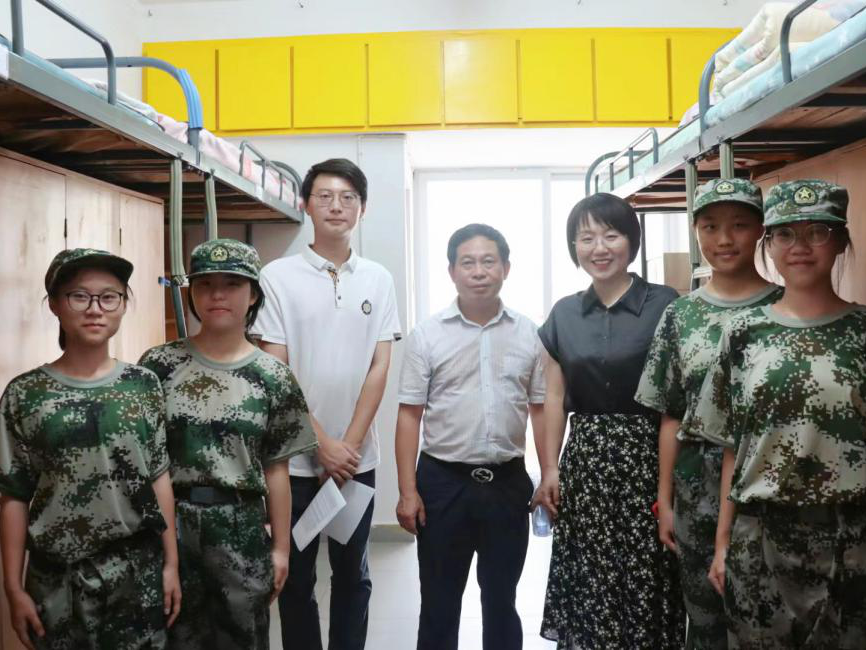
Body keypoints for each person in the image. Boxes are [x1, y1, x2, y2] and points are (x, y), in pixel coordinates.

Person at [699, 181, 866, 648]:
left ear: (840, 241)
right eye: (786, 234)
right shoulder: (742, 334)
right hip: (761, 537)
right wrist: (722, 543)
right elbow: (732, 446)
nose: (800, 246)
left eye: (818, 232)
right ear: (768, 243)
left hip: (852, 538)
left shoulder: (861, 331)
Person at [253, 158, 402, 650]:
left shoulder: (378, 278)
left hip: (358, 462)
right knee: (296, 579)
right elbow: (277, 371)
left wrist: (347, 449)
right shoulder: (277, 276)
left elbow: (379, 366)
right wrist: (321, 445)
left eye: (348, 198)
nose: (336, 206)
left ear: (363, 208)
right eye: (325, 196)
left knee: (353, 574)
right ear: (306, 205)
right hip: (293, 464)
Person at [139, 238, 317, 650]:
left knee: (243, 638)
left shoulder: (273, 376)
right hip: (172, 528)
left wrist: (281, 550)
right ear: (192, 293)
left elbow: (277, 469)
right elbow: (146, 464)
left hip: (241, 529)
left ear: (253, 294)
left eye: (232, 284)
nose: (217, 295)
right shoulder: (158, 366)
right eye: (205, 284)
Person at [0, 248, 180, 650]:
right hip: (57, 582)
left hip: (137, 575)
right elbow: (14, 495)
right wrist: (13, 587)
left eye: (109, 297)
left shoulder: (144, 385)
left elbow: (159, 478)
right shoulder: (25, 394)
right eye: (79, 296)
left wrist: (171, 565)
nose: (95, 309)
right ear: (54, 304)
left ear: (123, 304)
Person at [635, 178, 782, 650]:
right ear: (696, 231)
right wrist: (665, 500)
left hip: (768, 481)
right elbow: (671, 415)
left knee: (771, 618)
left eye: (739, 225)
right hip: (696, 486)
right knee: (704, 620)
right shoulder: (681, 316)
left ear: (760, 230)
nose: (724, 239)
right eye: (710, 227)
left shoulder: (786, 305)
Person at [533, 193, 685, 649]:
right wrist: (550, 468)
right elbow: (554, 397)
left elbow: (674, 403)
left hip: (648, 459)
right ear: (574, 247)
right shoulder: (564, 313)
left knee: (645, 577)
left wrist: (667, 490)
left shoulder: (665, 304)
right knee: (589, 577)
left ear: (631, 241)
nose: (599, 248)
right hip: (586, 463)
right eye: (586, 238)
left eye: (611, 235)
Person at [395, 223, 545, 650]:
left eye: (488, 261)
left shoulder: (529, 333)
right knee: (439, 602)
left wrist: (547, 472)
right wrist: (408, 491)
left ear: (506, 268)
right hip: (443, 484)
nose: (479, 271)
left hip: (507, 483)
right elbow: (409, 416)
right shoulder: (427, 335)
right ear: (452, 272)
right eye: (468, 262)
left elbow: (540, 408)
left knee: (502, 600)